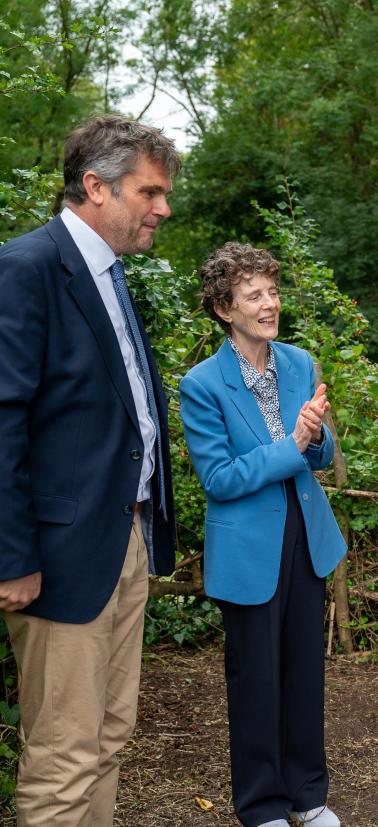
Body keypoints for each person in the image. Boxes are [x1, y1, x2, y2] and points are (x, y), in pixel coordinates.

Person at [0, 114, 179, 825]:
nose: (163, 208)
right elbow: (3, 418)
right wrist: (12, 555)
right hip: (58, 555)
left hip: (123, 542)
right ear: (95, 186)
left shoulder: (111, 275)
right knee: (64, 751)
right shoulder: (26, 267)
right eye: (150, 191)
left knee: (109, 736)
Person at [180, 243, 347, 827]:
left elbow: (320, 455)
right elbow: (220, 479)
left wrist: (315, 437)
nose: (270, 303)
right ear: (226, 307)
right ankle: (262, 807)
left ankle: (307, 797)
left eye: (273, 291)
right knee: (256, 680)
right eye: (255, 295)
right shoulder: (201, 385)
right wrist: (294, 446)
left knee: (304, 672)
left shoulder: (300, 363)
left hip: (307, 535)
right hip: (248, 549)